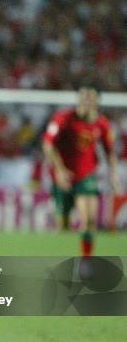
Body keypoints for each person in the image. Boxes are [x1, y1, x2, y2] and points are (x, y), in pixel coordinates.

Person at [43, 86, 119, 256]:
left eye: (90, 99)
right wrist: (60, 170)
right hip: (62, 177)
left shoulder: (102, 123)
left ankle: (86, 261)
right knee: (63, 225)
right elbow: (48, 144)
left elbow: (110, 151)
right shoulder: (63, 118)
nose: (85, 102)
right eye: (83, 98)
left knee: (89, 220)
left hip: (86, 175)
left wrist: (113, 175)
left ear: (96, 102)